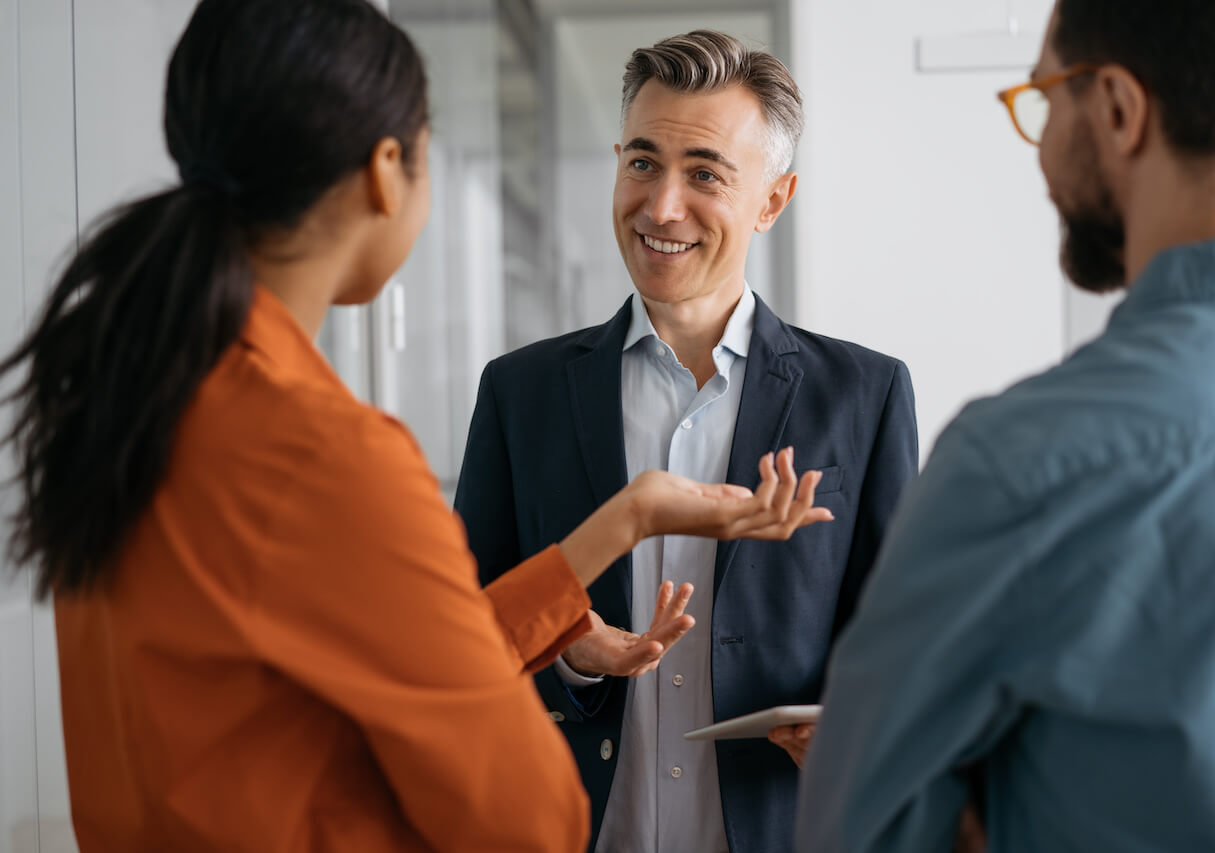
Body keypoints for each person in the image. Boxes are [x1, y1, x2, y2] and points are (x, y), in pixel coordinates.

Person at [0, 2, 829, 850]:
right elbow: (528, 813)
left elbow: (413, 645)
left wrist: (627, 517)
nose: (663, 205)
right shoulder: (326, 449)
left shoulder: (138, 391)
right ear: (385, 167)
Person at [798, 1, 1215, 850]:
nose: (1044, 147)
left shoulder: (1023, 461)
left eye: (1047, 99)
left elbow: (857, 831)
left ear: (1121, 111)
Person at [454, 30, 918, 853]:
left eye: (704, 173)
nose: (661, 206)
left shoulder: (865, 395)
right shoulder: (518, 392)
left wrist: (860, 730)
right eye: (641, 162)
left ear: (773, 200)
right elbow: (460, 642)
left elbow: (899, 643)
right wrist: (573, 655)